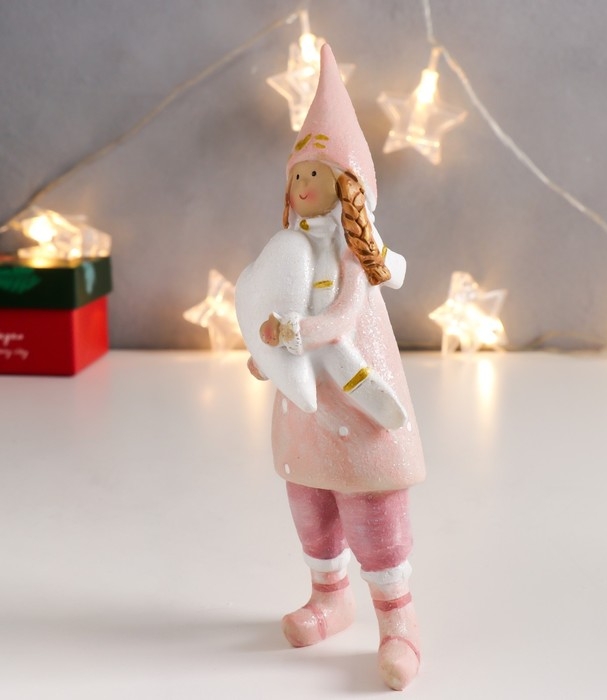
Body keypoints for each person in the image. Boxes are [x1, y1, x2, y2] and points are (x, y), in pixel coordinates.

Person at [236, 44, 426, 691]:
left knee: (372, 514)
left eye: (317, 173)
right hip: (306, 409)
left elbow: (342, 320)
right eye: (298, 175)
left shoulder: (352, 258)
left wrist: (293, 333)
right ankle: (329, 597)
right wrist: (266, 354)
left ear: (348, 185)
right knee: (312, 507)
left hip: (356, 401)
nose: (303, 186)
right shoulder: (287, 251)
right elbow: (269, 308)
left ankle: (399, 624)